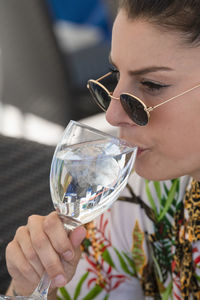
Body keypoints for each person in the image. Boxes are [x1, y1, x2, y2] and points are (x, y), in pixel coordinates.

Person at [5, 0, 200, 299]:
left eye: (150, 84)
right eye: (115, 75)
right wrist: (33, 285)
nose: (112, 115)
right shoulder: (142, 194)